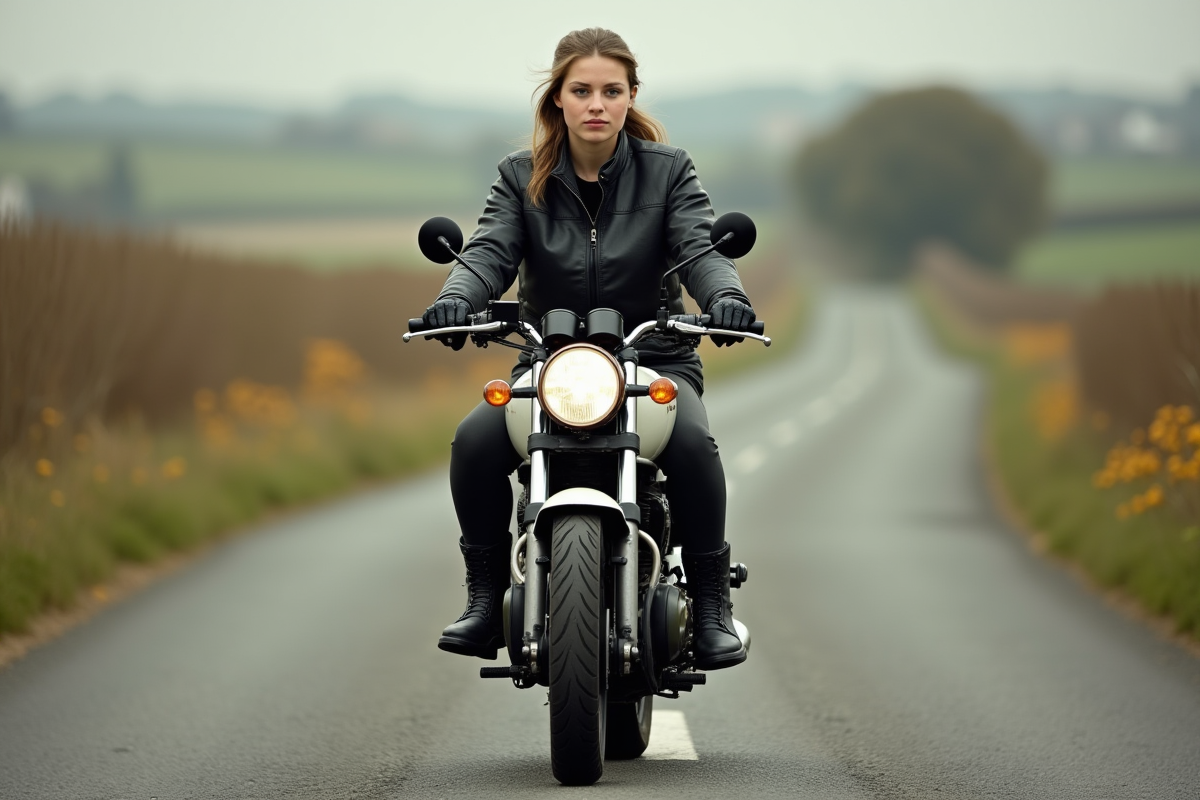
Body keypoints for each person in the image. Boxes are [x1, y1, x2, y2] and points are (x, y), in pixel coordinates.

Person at [423, 28, 756, 671]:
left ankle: (713, 607)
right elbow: (489, 251)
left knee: (692, 445)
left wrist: (726, 297)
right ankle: (485, 600)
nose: (596, 104)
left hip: (651, 358)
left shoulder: (668, 170)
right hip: (549, 364)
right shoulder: (520, 176)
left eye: (611, 90)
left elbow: (700, 249)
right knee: (474, 442)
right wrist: (457, 296)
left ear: (631, 96)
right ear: (558, 98)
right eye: (581, 91)